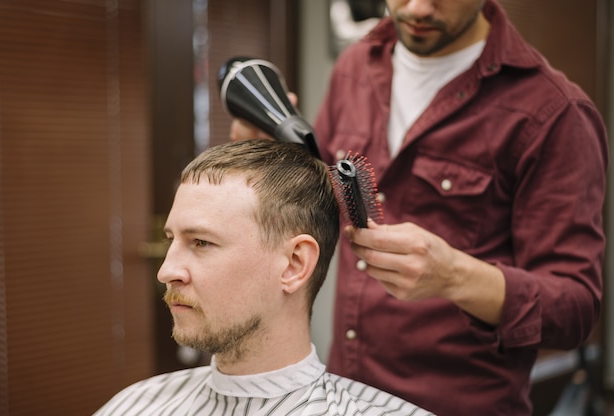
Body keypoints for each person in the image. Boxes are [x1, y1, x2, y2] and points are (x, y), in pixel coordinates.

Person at [230, 0, 609, 414]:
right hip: (343, 397)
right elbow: (317, 201)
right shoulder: (355, 67)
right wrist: (265, 158)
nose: (416, 8)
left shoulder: (554, 114)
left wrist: (454, 275)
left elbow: (575, 309)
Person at [93, 140, 433, 416]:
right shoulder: (135, 405)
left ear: (294, 265)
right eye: (172, 240)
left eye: (201, 242)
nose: (166, 271)